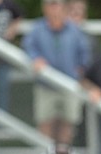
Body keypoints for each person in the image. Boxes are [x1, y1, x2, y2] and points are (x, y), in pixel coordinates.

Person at [22, 0, 92, 145]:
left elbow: (85, 52)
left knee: (68, 124)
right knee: (45, 122)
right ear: (45, 8)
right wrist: (36, 58)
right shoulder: (37, 29)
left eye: (57, 5)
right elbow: (28, 46)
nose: (54, 9)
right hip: (45, 85)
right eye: (50, 5)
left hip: (69, 85)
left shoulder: (74, 30)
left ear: (63, 8)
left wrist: (81, 68)